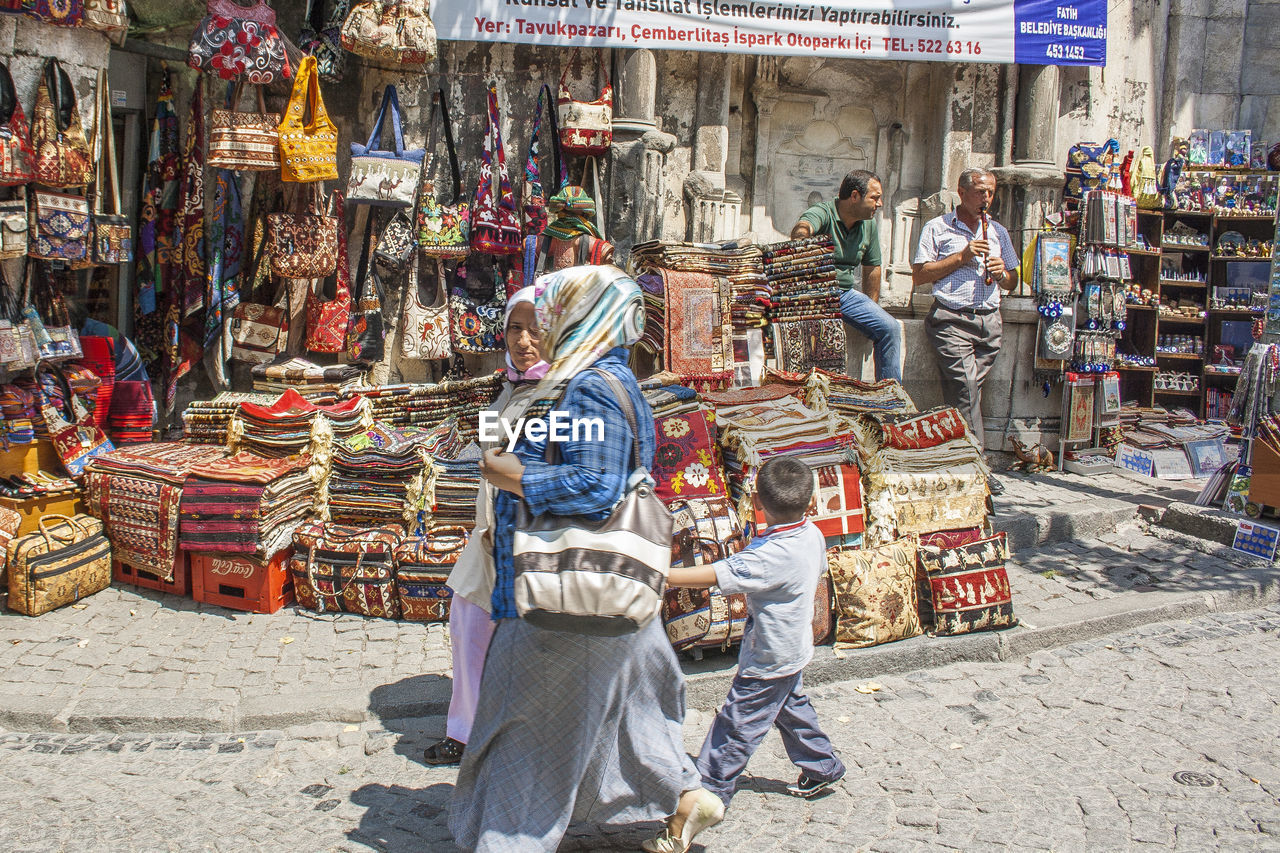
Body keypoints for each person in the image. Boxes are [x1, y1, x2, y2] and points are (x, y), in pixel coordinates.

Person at [448, 265, 720, 853]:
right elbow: (528, 437)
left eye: (547, 314)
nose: (532, 332)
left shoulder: (590, 385)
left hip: (565, 581)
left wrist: (509, 472)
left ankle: (507, 841)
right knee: (624, 709)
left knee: (522, 733)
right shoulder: (573, 382)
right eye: (521, 324)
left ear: (582, 315)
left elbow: (596, 484)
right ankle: (682, 794)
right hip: (588, 581)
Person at [644, 456, 845, 853]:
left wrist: (661, 574)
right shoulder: (811, 535)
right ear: (808, 501)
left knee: (737, 725)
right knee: (791, 706)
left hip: (769, 654)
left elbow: (717, 575)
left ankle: (707, 793)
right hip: (794, 647)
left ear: (756, 499)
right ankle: (822, 765)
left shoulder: (768, 555)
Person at [421, 288, 549, 766]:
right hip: (489, 537)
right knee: (468, 623)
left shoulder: (558, 393)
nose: (524, 340)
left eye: (535, 329)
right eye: (516, 328)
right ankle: (465, 731)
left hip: (529, 541)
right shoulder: (508, 389)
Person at [911, 167, 1019, 495]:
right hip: (951, 319)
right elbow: (919, 275)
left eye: (991, 192)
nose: (986, 198)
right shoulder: (938, 228)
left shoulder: (997, 231)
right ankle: (979, 469)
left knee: (964, 397)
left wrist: (1002, 274)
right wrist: (964, 255)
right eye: (980, 192)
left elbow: (1014, 280)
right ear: (962, 191)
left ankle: (951, 457)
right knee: (968, 391)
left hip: (989, 321)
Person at [791, 169, 902, 382]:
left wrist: (872, 310)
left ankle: (890, 396)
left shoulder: (868, 224)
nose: (879, 204)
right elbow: (803, 227)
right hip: (814, 294)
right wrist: (802, 242)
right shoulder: (824, 212)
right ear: (854, 196)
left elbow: (872, 268)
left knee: (890, 328)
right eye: (875, 198)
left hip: (844, 295)